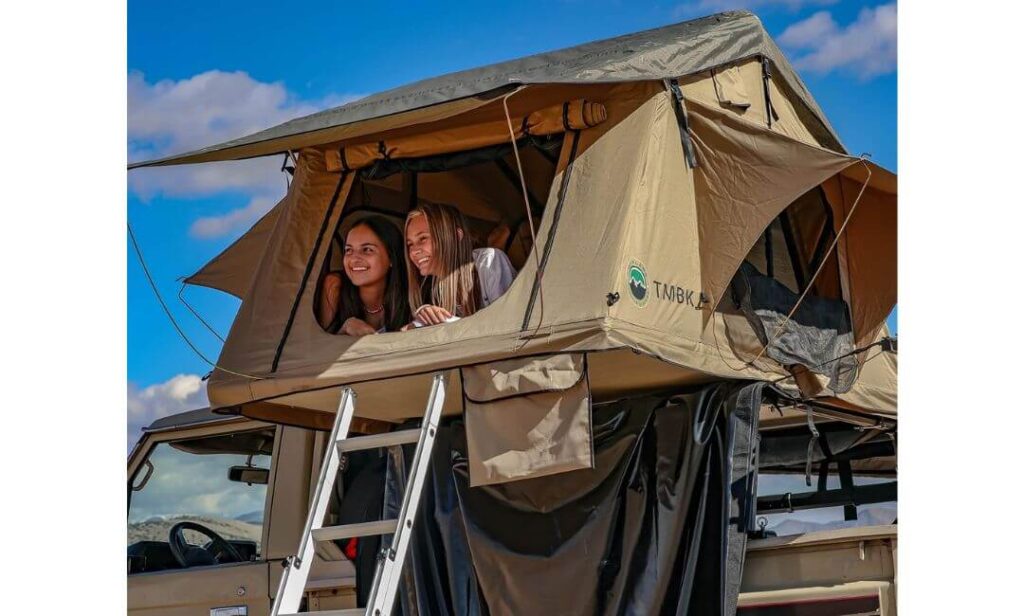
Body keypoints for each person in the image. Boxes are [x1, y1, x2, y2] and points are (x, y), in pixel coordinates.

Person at [404, 202, 516, 327]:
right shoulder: (436, 290)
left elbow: (509, 324)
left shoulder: (488, 261)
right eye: (410, 244)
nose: (414, 251)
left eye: (423, 238)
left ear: (456, 236)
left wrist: (445, 321)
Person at [317, 216, 411, 335]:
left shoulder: (408, 293)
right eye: (349, 250)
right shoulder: (334, 286)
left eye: (367, 249)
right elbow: (317, 347)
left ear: (391, 257)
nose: (354, 259)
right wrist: (344, 329)